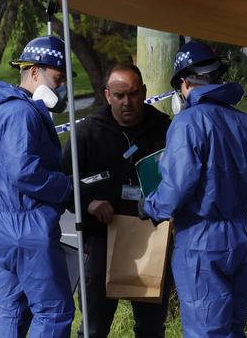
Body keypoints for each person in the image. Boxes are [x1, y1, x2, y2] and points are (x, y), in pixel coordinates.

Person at [141, 41, 247, 337]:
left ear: (183, 83)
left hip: (201, 237)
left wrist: (149, 206)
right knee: (234, 329)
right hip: (241, 233)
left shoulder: (188, 122)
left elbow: (176, 186)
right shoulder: (245, 123)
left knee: (205, 331)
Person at [62, 63, 171, 338]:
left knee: (150, 327)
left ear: (144, 92)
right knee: (94, 326)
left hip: (151, 235)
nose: (127, 103)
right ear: (107, 94)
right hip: (102, 238)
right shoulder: (87, 132)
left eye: (133, 94)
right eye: (119, 95)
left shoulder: (165, 129)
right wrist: (87, 203)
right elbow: (63, 182)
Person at [0, 35, 75, 337]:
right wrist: (68, 186)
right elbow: (25, 172)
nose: (60, 88)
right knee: (54, 312)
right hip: (27, 227)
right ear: (35, 72)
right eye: (57, 79)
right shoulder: (22, 113)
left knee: (9, 309)